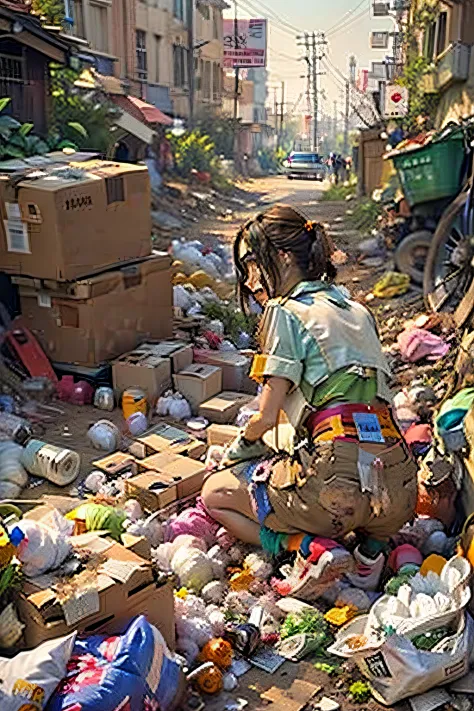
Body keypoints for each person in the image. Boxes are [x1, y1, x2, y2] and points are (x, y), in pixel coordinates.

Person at [202, 204, 417, 600]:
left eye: (252, 262)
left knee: (214, 493)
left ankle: (307, 547)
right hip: (399, 488)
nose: (250, 280)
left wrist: (237, 452)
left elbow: (266, 415)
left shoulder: (283, 311)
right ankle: (371, 554)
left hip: (334, 492)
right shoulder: (358, 310)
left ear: (282, 258)